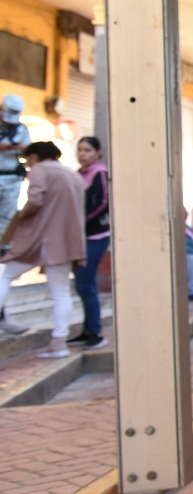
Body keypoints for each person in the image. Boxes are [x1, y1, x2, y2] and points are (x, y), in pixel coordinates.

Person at [0, 142, 86, 357]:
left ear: (35, 157)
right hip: (66, 242)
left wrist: (22, 215)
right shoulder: (72, 175)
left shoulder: (40, 170)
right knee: (61, 292)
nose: (28, 165)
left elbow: (35, 200)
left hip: (41, 239)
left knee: (6, 275)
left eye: (28, 160)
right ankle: (59, 343)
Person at [69, 136, 110, 348]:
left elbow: (103, 202)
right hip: (80, 236)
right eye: (80, 149)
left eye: (87, 150)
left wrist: (82, 220)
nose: (82, 154)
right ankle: (88, 330)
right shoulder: (78, 174)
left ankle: (95, 332)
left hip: (95, 236)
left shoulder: (100, 173)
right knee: (82, 284)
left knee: (85, 283)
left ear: (97, 153)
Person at [0, 95, 28, 237]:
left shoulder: (21, 129)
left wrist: (23, 149)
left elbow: (31, 154)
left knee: (7, 215)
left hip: (12, 178)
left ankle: (2, 243)